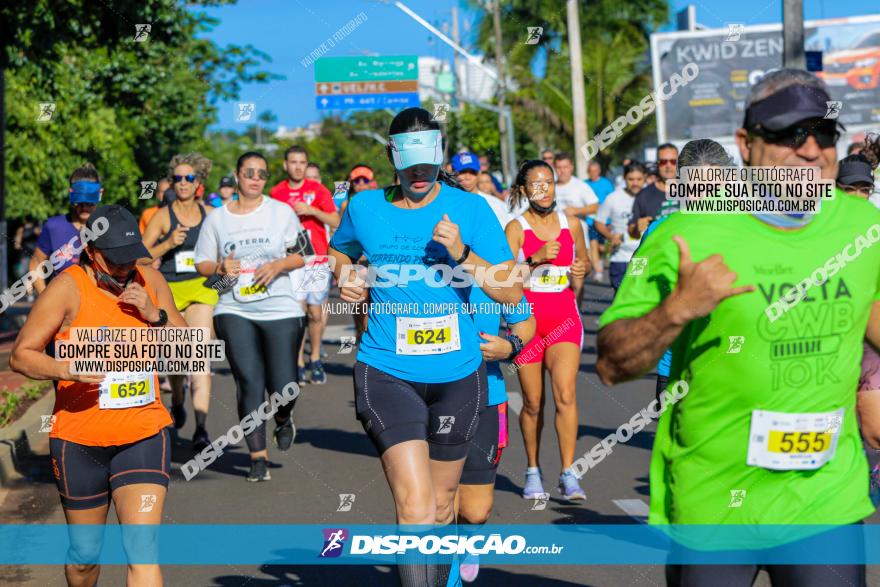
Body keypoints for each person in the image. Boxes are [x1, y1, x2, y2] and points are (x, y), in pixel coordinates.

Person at [597, 69, 878, 586]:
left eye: (824, 135)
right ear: (747, 145)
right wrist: (677, 309)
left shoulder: (861, 228)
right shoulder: (685, 234)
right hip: (717, 503)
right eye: (790, 134)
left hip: (824, 500)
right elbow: (612, 363)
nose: (810, 150)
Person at [329, 107, 521, 586]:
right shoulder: (364, 207)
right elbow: (340, 250)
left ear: (438, 156)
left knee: (441, 506)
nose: (419, 175)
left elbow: (511, 290)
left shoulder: (471, 209)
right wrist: (346, 275)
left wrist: (461, 253)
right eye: (409, 164)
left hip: (458, 375)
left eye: (427, 164)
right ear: (391, 156)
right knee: (414, 507)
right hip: (386, 370)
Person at [10, 205, 187, 587]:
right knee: (84, 558)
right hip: (80, 439)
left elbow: (187, 346)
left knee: (143, 551)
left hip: (143, 431)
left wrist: (154, 314)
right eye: (116, 260)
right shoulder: (68, 286)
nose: (126, 269)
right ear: (91, 251)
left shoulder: (150, 279)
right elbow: (21, 354)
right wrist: (65, 369)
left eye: (130, 258)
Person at [194, 151, 309, 482]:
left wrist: (279, 264)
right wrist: (218, 267)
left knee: (285, 385)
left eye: (262, 174)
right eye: (249, 173)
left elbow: (303, 254)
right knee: (249, 381)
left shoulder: (281, 212)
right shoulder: (217, 219)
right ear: (238, 175)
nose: (256, 179)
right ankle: (257, 455)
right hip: (234, 307)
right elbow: (202, 263)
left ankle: (284, 418)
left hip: (280, 307)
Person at [505, 159, 590, 502]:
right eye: (536, 184)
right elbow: (503, 280)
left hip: (564, 317)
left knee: (566, 396)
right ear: (524, 191)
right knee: (533, 402)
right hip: (527, 320)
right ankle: (532, 470)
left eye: (549, 183)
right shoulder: (516, 228)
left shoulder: (572, 224)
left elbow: (580, 268)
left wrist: (579, 276)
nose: (544, 190)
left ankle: (569, 473)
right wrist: (535, 258)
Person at [142, 153, 219, 452]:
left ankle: (201, 428)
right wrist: (168, 243)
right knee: (176, 358)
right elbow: (140, 255)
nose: (183, 183)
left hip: (201, 288)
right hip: (170, 289)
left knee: (197, 355)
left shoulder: (212, 214)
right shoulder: (163, 216)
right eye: (177, 178)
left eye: (189, 178)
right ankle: (177, 401)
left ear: (198, 183)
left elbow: (224, 255)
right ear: (171, 183)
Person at [269, 146, 340, 385]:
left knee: (315, 312)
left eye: (302, 162)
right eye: (293, 162)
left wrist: (311, 210)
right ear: (285, 165)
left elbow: (336, 220)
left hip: (316, 259)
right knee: (296, 312)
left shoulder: (318, 190)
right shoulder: (277, 192)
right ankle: (297, 362)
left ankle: (315, 357)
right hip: (290, 260)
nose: (298, 167)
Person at [31, 163, 103, 294]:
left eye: (89, 202)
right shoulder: (54, 226)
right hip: (62, 307)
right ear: (71, 194)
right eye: (79, 202)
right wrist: (46, 298)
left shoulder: (110, 226)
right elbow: (36, 263)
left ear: (100, 194)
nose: (84, 207)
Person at [593, 161, 646, 293]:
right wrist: (610, 236)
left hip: (642, 257)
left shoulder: (650, 196)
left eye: (639, 179)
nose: (635, 183)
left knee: (638, 300)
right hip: (620, 258)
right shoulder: (613, 198)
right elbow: (598, 222)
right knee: (621, 299)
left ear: (645, 178)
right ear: (624, 178)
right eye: (631, 179)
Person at [553, 153, 598, 305]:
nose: (562, 171)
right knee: (559, 282)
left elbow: (595, 206)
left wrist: (576, 211)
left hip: (578, 241)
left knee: (577, 281)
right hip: (556, 242)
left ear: (571, 167)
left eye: (565, 167)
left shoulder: (580, 186)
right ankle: (562, 313)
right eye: (559, 167)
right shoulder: (550, 187)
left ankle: (576, 311)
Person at [628, 144, 678, 241]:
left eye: (673, 161)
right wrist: (636, 229)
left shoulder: (692, 191)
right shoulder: (643, 195)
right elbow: (632, 233)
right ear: (657, 164)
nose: (668, 165)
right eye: (663, 162)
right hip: (657, 253)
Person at [451, 151, 509, 227]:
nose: (468, 177)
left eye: (472, 172)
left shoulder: (496, 205)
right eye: (462, 172)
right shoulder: (447, 203)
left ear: (479, 173)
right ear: (453, 174)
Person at [585, 160, 616, 282]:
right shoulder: (585, 184)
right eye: (590, 171)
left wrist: (612, 219)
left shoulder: (606, 183)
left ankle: (602, 259)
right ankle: (598, 271)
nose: (593, 173)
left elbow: (613, 201)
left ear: (599, 171)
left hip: (605, 220)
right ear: (588, 172)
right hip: (590, 220)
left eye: (595, 171)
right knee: (593, 244)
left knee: (604, 247)